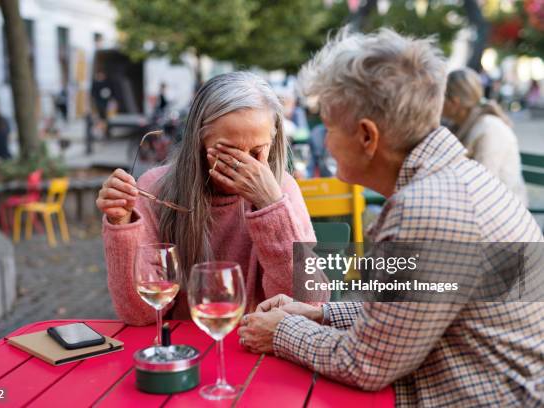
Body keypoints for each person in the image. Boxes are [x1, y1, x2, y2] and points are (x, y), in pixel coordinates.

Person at [237, 29, 544, 407]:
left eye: (330, 126)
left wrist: (283, 330)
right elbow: (419, 302)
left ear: (367, 137)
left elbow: (364, 362)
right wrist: (321, 314)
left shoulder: (427, 207)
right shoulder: (452, 180)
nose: (326, 139)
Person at [97, 72, 325, 326]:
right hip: (185, 346)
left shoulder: (283, 190)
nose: (244, 165)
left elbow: (308, 305)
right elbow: (139, 314)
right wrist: (121, 223)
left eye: (257, 151)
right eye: (228, 152)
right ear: (199, 141)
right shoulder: (156, 189)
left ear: (273, 140)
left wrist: (271, 206)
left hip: (261, 347)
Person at [443, 67, 528, 206]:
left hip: (502, 208)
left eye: (440, 96)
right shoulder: (458, 125)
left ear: (455, 102)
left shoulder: (489, 128)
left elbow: (484, 185)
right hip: (474, 201)